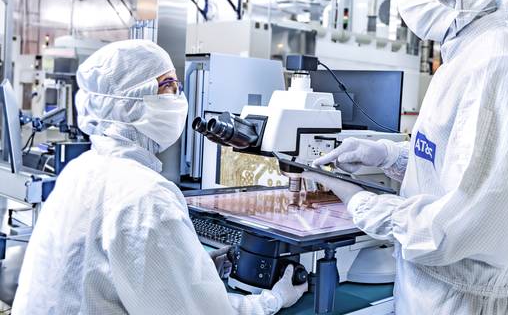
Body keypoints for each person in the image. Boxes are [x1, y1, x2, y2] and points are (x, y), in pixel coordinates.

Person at [304, 0, 508, 314]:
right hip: (436, 295)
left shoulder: (505, 66)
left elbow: (463, 227)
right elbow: (460, 170)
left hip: (473, 305)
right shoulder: (465, 58)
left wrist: (358, 202)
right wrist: (388, 156)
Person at [12, 40, 307, 315]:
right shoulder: (147, 197)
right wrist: (273, 300)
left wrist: (190, 270)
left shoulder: (81, 169)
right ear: (127, 101)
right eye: (167, 86)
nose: (179, 97)